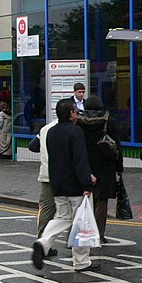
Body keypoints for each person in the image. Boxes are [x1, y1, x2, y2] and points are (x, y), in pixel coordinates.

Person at [32, 98, 98, 272]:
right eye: (75, 110)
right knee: (81, 222)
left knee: (62, 218)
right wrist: (87, 182)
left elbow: (54, 160)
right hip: (76, 186)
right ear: (70, 114)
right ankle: (82, 261)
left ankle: (43, 242)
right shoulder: (75, 132)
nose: (77, 113)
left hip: (57, 185)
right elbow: (79, 160)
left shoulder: (51, 132)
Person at [76, 95, 122, 244]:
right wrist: (119, 168)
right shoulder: (110, 122)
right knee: (101, 201)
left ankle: (83, 230)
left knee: (85, 199)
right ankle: (98, 234)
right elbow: (117, 146)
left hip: (86, 165)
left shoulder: (79, 123)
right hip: (105, 166)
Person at [28, 119, 58, 256]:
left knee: (46, 210)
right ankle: (76, 246)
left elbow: (32, 146)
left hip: (46, 175)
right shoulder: (71, 129)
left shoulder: (45, 129)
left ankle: (42, 243)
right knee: (70, 212)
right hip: (66, 176)